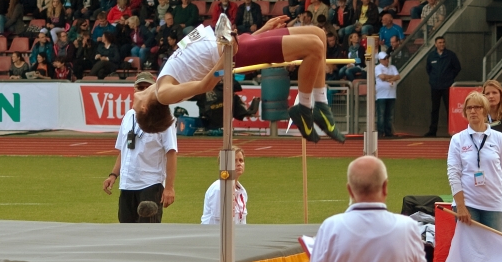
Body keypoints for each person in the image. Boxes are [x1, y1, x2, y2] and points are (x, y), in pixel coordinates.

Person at [132, 13, 343, 144]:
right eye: (134, 105)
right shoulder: (165, 94)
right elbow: (207, 85)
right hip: (234, 51)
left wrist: (260, 32)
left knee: (319, 34)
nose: (133, 96)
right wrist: (227, 55)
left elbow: (200, 51)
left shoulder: (160, 80)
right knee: (314, 46)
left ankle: (320, 103)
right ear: (143, 109)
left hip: (238, 42)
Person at [447, 91, 502, 262]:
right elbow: (454, 173)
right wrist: (462, 205)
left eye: (477, 107)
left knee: (494, 248)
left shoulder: (499, 139)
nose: (473, 111)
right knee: (468, 247)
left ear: (485, 111)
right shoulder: (458, 140)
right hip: (468, 203)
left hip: (494, 204)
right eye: (469, 108)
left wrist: (494, 190)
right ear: (465, 112)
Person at [103, 72, 177, 223]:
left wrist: (169, 187)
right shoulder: (128, 116)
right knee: (126, 232)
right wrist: (113, 175)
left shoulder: (162, 117)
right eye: (140, 87)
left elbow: (171, 152)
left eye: (147, 87)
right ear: (134, 90)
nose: (143, 90)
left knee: (147, 233)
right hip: (127, 184)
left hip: (150, 184)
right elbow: (124, 150)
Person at [424, 36, 461, 137]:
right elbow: (428, 69)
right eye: (440, 42)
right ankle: (432, 131)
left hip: (447, 86)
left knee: (449, 109)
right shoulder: (431, 56)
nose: (442, 44)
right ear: (435, 44)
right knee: (434, 109)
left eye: (443, 42)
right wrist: (433, 78)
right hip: (435, 86)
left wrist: (449, 77)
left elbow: (457, 68)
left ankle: (452, 130)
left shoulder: (450, 55)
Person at [201, 146, 247, 225]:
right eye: (234, 161)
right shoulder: (219, 189)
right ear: (225, 164)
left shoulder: (242, 191)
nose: (239, 164)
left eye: (241, 160)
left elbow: (241, 220)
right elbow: (220, 221)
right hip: (216, 235)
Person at [374, 51, 401, 138]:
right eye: (384, 59)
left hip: (391, 94)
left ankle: (388, 132)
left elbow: (398, 76)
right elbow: (382, 77)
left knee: (389, 115)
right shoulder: (377, 67)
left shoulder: (392, 67)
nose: (387, 60)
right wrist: (392, 77)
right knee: (381, 114)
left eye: (387, 58)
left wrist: (387, 77)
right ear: (380, 60)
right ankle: (381, 132)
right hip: (381, 95)